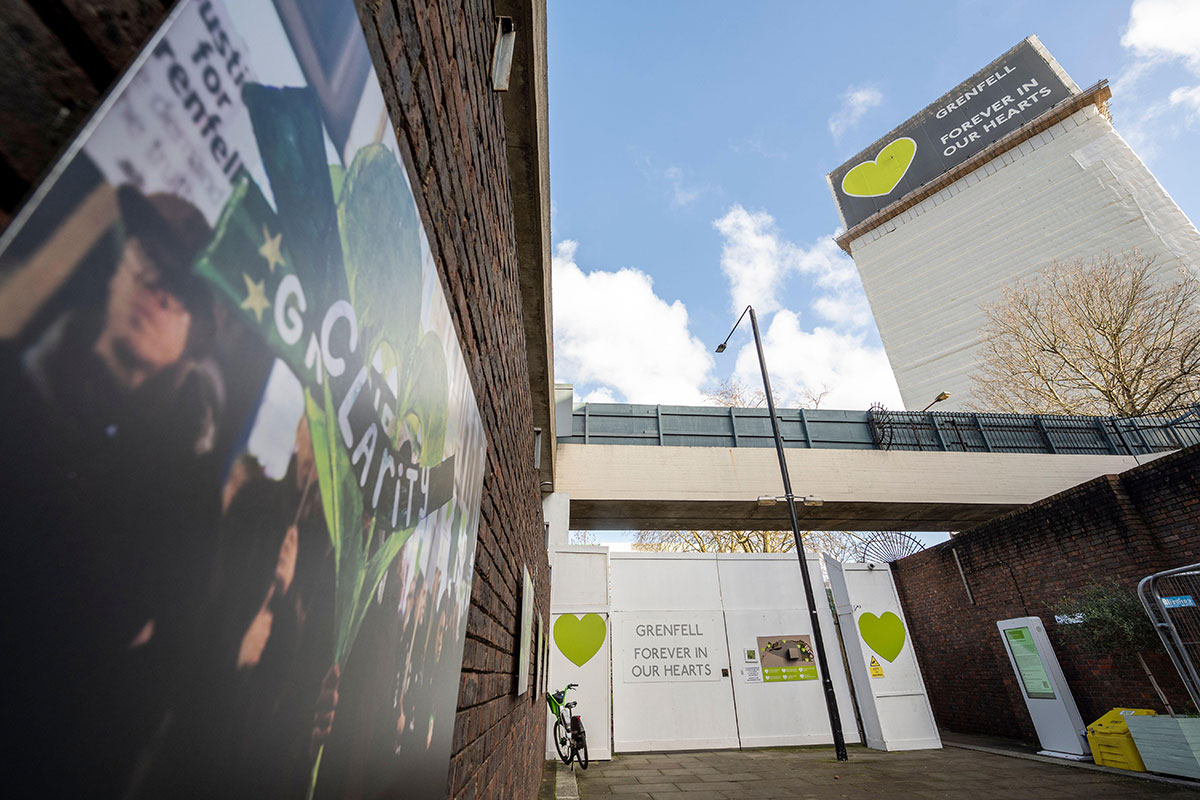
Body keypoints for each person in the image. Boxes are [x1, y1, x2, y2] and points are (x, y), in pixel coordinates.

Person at [0, 184, 224, 796]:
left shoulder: (187, 487)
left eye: (180, 293)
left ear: (194, 338)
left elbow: (153, 658)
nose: (156, 293)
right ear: (120, 268)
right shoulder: (19, 381)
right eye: (150, 264)